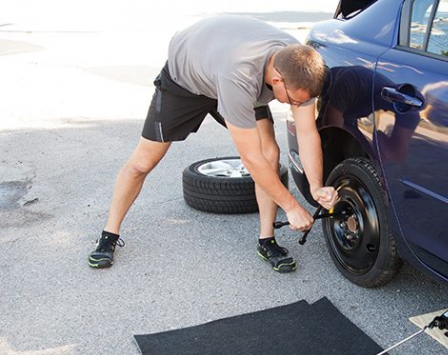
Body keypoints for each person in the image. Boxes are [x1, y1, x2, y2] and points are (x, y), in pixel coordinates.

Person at [87, 15, 338, 272]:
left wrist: (316, 186)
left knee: (270, 153)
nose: (293, 106)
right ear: (277, 81)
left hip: (229, 68)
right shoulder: (238, 76)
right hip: (186, 79)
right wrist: (292, 206)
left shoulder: (298, 67)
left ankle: (266, 240)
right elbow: (251, 159)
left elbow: (307, 133)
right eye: (291, 101)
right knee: (143, 162)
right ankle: (109, 234)